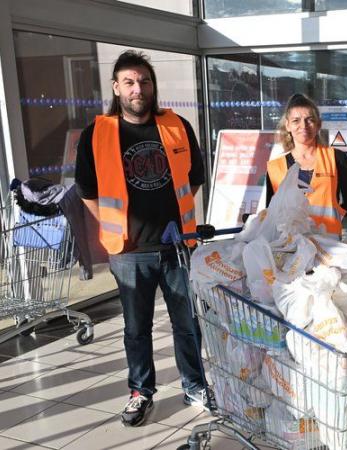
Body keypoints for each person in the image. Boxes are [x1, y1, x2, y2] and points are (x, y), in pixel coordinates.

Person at [74, 50, 212, 427]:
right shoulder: (97, 133)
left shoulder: (177, 125)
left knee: (188, 323)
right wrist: (112, 222)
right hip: (130, 252)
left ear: (153, 87)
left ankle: (195, 386)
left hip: (178, 247)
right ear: (117, 88)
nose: (139, 88)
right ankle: (140, 392)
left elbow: (194, 176)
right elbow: (86, 190)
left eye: (145, 81)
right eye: (130, 82)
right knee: (137, 329)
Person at [266, 93, 347, 235]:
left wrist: (334, 217)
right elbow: (271, 211)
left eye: (309, 120)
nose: (303, 126)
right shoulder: (274, 167)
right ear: (288, 125)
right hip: (289, 246)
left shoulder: (336, 158)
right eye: (296, 120)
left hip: (327, 244)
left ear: (318, 124)